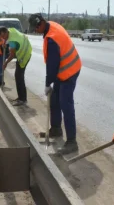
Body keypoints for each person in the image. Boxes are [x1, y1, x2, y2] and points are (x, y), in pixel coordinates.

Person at [28, 13, 81, 154]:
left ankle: (72, 142)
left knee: (66, 104)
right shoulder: (51, 26)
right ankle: (56, 129)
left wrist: (47, 83)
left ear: (41, 24)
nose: (35, 31)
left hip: (69, 72)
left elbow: (52, 65)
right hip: (63, 70)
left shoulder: (52, 38)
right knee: (55, 101)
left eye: (35, 29)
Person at [0, 26, 32, 106]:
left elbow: (12, 55)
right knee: (18, 76)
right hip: (27, 48)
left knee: (19, 77)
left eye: (4, 36)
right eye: (2, 37)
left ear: (6, 32)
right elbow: (6, 39)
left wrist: (5, 63)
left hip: (24, 55)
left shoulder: (12, 41)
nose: (3, 38)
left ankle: (22, 99)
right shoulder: (11, 30)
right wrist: (4, 42)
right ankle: (21, 97)